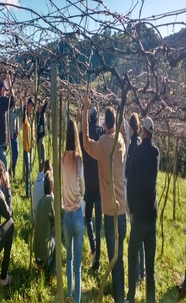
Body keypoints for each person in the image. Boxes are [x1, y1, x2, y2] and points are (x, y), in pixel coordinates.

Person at [82, 93, 126, 303]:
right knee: (121, 257)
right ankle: (123, 295)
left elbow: (85, 142)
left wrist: (84, 111)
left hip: (111, 213)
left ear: (104, 123)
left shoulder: (102, 145)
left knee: (114, 258)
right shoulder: (121, 141)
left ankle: (119, 298)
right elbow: (121, 132)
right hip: (124, 211)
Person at [126, 117, 159, 303]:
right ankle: (151, 300)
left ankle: (131, 296)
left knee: (132, 256)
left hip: (138, 216)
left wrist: (131, 208)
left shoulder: (137, 152)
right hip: (151, 216)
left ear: (143, 132)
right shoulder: (156, 153)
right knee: (151, 265)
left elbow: (131, 184)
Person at [78, 106, 104, 271]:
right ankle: (98, 255)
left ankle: (94, 250)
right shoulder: (101, 133)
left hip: (89, 184)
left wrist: (81, 120)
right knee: (99, 220)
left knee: (87, 217)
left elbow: (80, 134)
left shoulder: (84, 137)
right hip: (100, 183)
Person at [61, 119, 84, 303]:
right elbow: (82, 187)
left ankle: (68, 294)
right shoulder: (78, 160)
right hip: (77, 212)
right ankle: (77, 300)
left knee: (68, 259)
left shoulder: (62, 160)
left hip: (66, 214)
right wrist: (80, 194)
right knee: (78, 264)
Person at [125, 113, 145, 288]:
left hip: (135, 198)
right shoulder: (139, 143)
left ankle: (137, 276)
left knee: (135, 235)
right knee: (141, 235)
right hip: (142, 197)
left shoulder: (133, 146)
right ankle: (143, 271)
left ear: (132, 128)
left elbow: (130, 174)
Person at [33, 170, 56, 284]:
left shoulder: (40, 201)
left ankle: (40, 267)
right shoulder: (51, 201)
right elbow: (55, 223)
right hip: (45, 256)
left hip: (36, 253)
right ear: (52, 187)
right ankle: (51, 277)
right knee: (57, 241)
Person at [0, 74, 14, 172]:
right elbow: (12, 100)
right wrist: (10, 82)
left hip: (0, 141)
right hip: (1, 142)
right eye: (5, 90)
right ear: (2, 89)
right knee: (4, 170)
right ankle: (5, 187)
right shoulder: (2, 101)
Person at [32, 159, 53, 224]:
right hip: (42, 219)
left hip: (35, 215)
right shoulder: (46, 182)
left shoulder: (37, 179)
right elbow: (53, 200)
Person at [23, 97, 35, 198]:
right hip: (26, 148)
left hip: (31, 148)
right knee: (27, 171)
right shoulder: (25, 117)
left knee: (30, 169)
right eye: (30, 105)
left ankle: (29, 190)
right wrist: (24, 102)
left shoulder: (31, 118)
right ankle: (27, 192)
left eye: (32, 106)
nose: (31, 107)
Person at [9, 95, 23, 178]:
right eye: (14, 101)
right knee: (12, 153)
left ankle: (13, 167)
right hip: (11, 135)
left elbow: (21, 110)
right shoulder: (9, 111)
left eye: (16, 101)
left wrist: (21, 101)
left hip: (16, 134)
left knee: (17, 152)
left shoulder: (16, 111)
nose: (15, 102)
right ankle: (12, 169)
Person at [36, 98, 48, 172]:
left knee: (44, 157)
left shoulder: (42, 113)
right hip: (38, 139)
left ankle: (43, 171)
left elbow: (45, 106)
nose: (40, 108)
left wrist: (45, 101)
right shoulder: (37, 115)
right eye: (39, 106)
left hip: (42, 138)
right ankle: (40, 171)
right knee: (40, 158)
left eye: (41, 106)